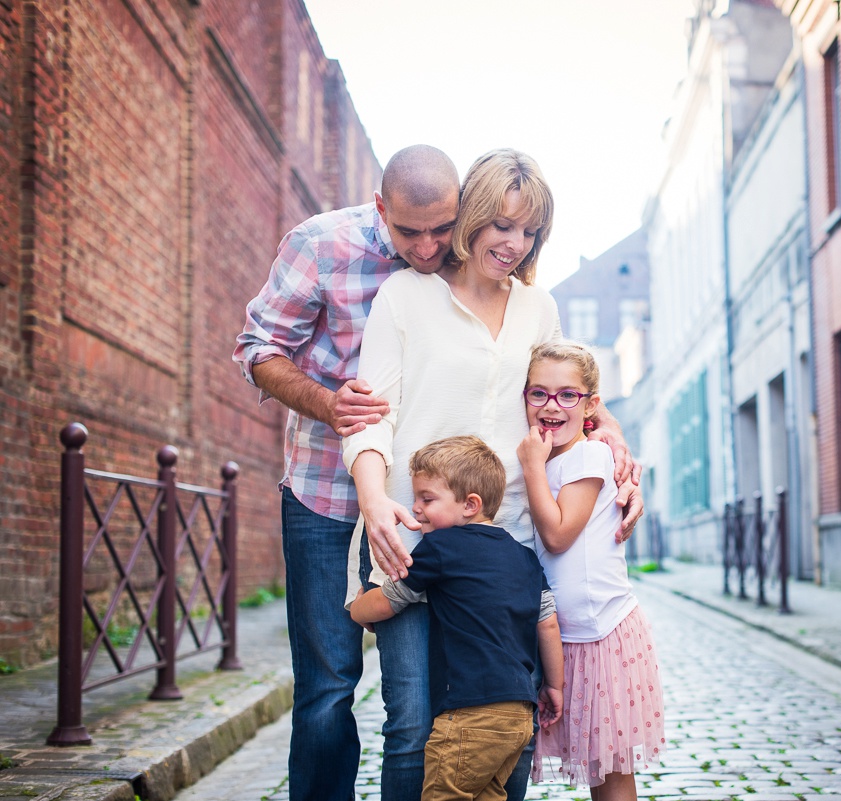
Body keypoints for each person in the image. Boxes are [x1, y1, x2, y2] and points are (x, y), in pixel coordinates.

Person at [341, 148, 640, 801]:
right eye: (502, 224)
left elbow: (569, 397)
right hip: (412, 543)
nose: (514, 243)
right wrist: (372, 498)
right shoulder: (405, 297)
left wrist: (612, 437)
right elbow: (369, 417)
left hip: (505, 556)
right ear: (472, 216)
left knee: (513, 724)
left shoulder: (539, 308)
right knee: (415, 720)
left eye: (530, 230)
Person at [232, 145, 462, 801]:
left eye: (440, 230)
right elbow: (257, 349)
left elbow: (532, 362)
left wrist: (605, 433)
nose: (426, 247)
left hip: (425, 505)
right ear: (381, 208)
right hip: (324, 492)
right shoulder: (320, 244)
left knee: (424, 683)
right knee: (329, 678)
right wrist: (327, 403)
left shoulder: (472, 253)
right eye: (409, 231)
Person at [349, 436, 565, 801]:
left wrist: (356, 605)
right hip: (518, 715)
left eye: (427, 499)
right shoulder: (525, 558)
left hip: (469, 716)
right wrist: (554, 686)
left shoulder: (440, 548)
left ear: (470, 505)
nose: (415, 509)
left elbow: (389, 602)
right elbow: (548, 623)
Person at [516, 341, 666, 800]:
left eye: (567, 395)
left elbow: (559, 535)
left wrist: (531, 468)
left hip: (601, 633)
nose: (551, 406)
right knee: (593, 763)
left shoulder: (589, 457)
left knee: (610, 770)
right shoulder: (553, 458)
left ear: (590, 406)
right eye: (538, 394)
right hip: (563, 637)